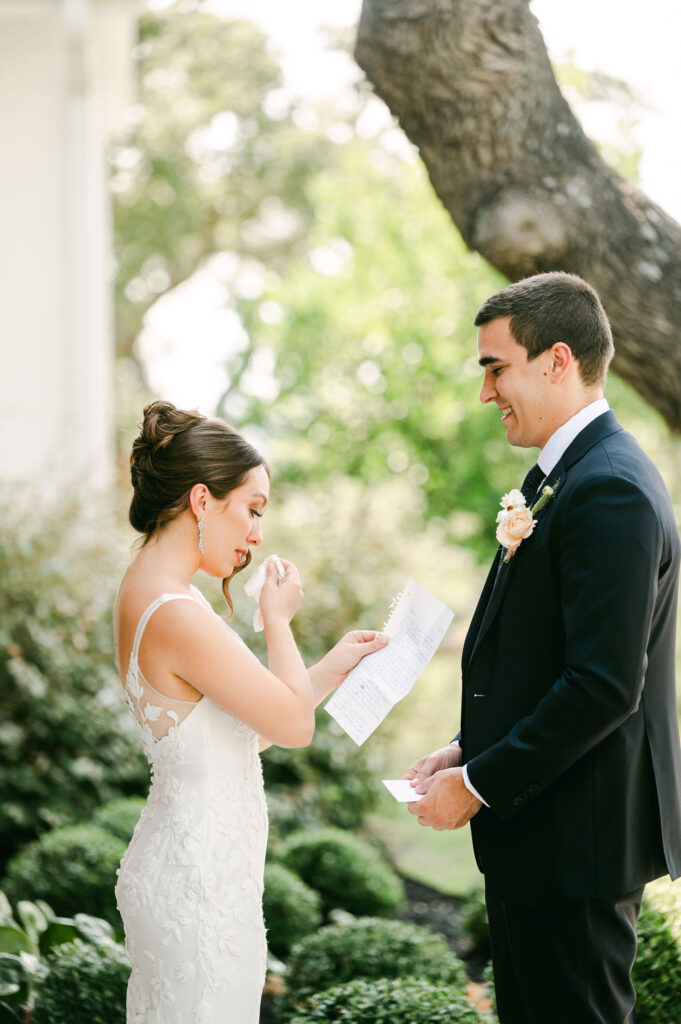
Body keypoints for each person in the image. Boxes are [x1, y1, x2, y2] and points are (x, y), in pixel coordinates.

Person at [404, 272, 681, 1023]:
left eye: (495, 367)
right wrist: (467, 748)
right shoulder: (566, 477)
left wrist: (481, 783)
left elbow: (601, 683)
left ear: (557, 360)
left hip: (575, 846)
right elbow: (543, 661)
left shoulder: (609, 487)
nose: (486, 391)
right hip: (546, 840)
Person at [113, 400, 387, 1024]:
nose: (258, 535)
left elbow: (237, 736)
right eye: (253, 510)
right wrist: (276, 620)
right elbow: (291, 728)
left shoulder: (151, 589)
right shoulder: (176, 611)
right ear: (203, 500)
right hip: (200, 890)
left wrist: (331, 669)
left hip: (194, 872)